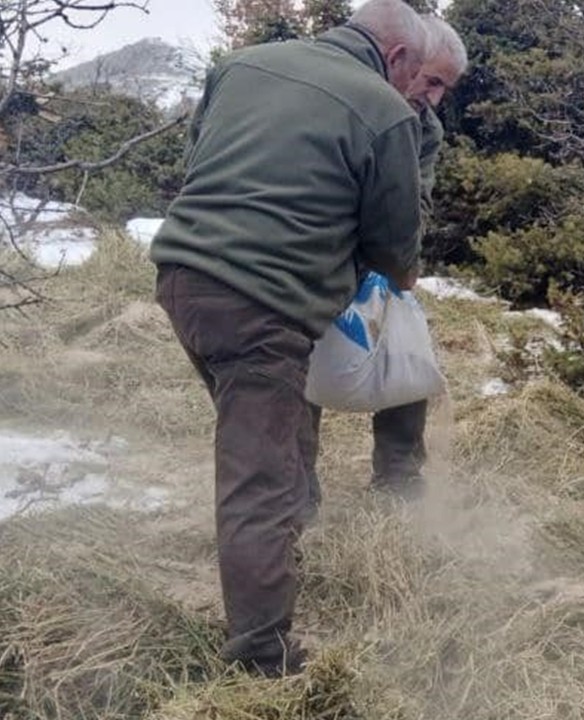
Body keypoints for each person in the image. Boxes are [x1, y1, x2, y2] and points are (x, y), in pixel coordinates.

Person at [150, 0, 436, 677]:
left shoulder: (240, 65)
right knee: (261, 479)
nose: (413, 91)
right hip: (262, 305)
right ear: (397, 59)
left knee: (275, 439)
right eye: (416, 76)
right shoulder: (384, 108)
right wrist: (382, 283)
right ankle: (261, 655)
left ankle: (285, 550)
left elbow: (198, 162)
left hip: (182, 277)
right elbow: (394, 246)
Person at [304, 13, 468, 506]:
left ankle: (398, 480)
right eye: (431, 80)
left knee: (405, 348)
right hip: (312, 248)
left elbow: (416, 200)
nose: (434, 98)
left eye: (445, 88)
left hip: (379, 249)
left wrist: (394, 255)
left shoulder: (425, 129)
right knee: (297, 361)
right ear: (404, 58)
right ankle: (296, 492)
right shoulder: (340, 91)